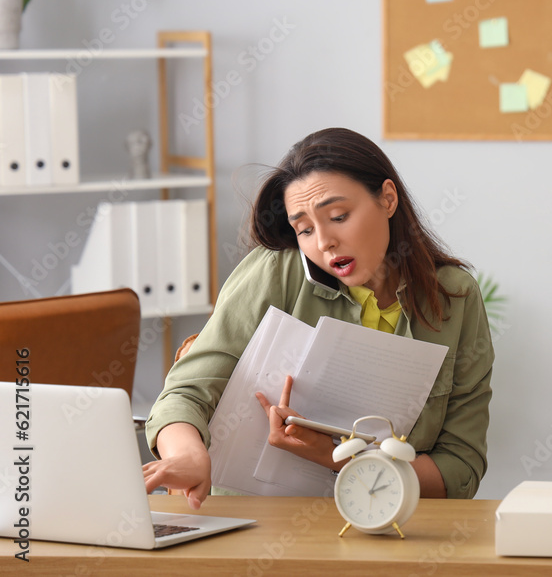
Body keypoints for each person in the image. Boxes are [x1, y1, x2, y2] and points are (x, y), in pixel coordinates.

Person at [142, 128, 494, 509]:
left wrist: (333, 456)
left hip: (387, 522)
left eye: (339, 216)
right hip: (254, 519)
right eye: (304, 229)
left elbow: (460, 469)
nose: (323, 242)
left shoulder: (454, 297)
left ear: (388, 199)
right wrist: (187, 455)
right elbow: (186, 392)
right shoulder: (277, 271)